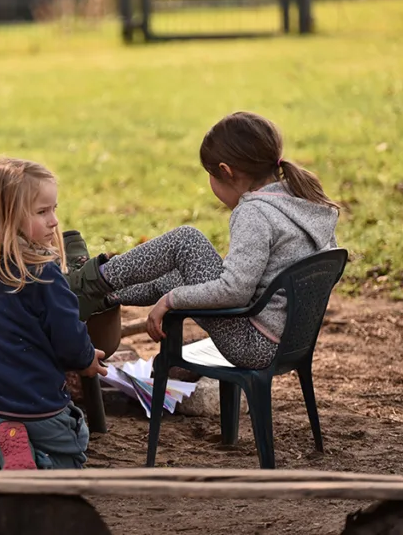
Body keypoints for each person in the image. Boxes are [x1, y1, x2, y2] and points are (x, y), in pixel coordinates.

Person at [67, 111, 339, 369]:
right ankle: (104, 296)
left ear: (226, 171)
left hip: (256, 343)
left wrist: (170, 300)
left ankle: (83, 285)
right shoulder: (301, 199)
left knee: (186, 240)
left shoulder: (255, 212)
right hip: (292, 339)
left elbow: (236, 291)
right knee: (181, 275)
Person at [0, 157, 107, 478]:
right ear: (6, 217)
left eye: (54, 209)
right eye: (41, 212)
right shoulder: (44, 274)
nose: (54, 221)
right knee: (75, 448)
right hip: (35, 410)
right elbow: (68, 338)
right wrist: (86, 359)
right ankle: (29, 464)